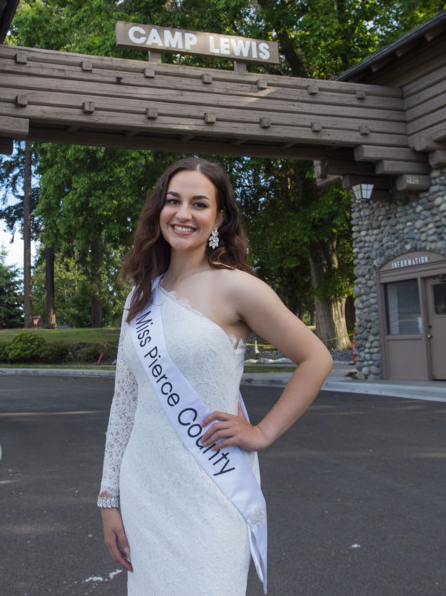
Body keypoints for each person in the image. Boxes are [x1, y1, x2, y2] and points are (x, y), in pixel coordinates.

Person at [98, 157, 333, 595]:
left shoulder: (236, 287)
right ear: (159, 209)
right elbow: (124, 401)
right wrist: (109, 499)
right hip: (144, 488)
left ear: (219, 217)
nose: (183, 214)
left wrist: (262, 432)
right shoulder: (141, 295)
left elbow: (316, 358)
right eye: (173, 201)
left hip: (212, 490)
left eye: (199, 204)